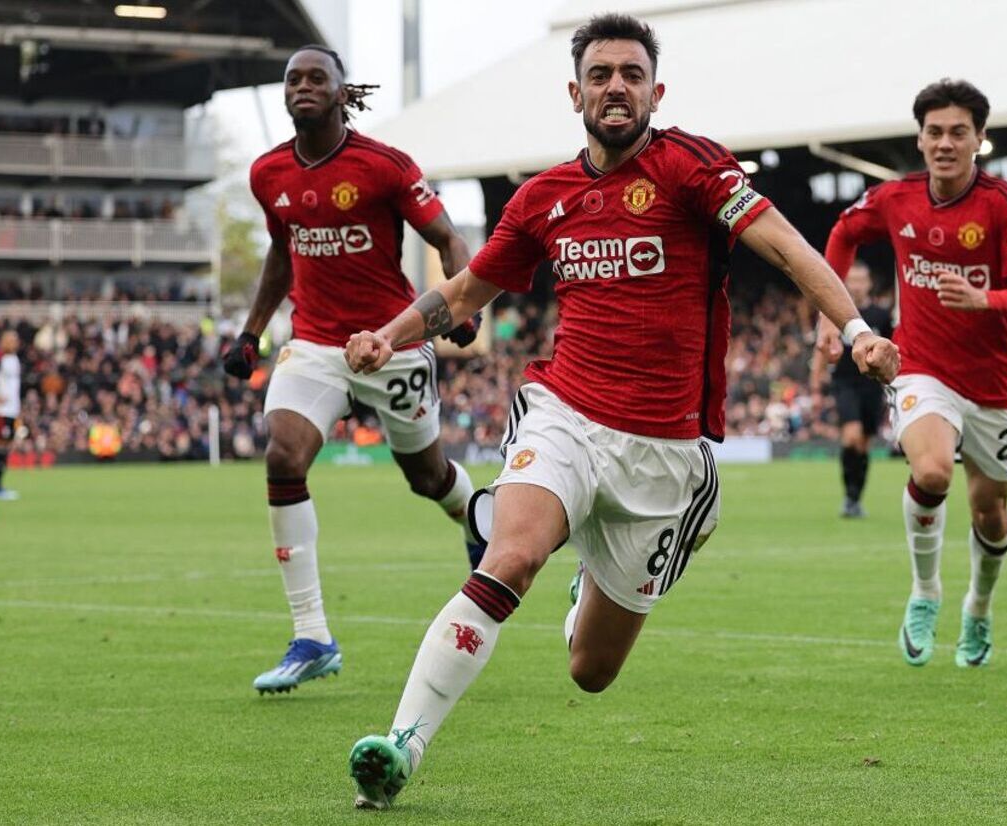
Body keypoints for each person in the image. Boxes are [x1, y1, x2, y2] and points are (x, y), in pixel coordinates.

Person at [340, 13, 899, 809]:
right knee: (511, 558)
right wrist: (386, 336)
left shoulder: (690, 167)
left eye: (631, 74)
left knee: (590, 673)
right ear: (575, 92)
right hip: (564, 413)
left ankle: (592, 583)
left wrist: (856, 330)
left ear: (654, 90)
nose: (615, 87)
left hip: (664, 453)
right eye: (600, 74)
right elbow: (465, 292)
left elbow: (786, 246)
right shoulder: (543, 198)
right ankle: (402, 745)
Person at [224, 44, 485, 696]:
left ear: (343, 93)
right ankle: (312, 635)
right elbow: (282, 255)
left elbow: (450, 239)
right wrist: (251, 333)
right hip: (313, 344)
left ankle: (478, 518)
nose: (303, 86)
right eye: (293, 79)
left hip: (393, 341)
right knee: (283, 456)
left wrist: (460, 304)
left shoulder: (384, 167)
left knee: (426, 478)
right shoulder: (267, 174)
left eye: (317, 78)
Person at [819, 78, 1007, 669]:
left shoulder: (1005, 206)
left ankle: (979, 605)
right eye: (934, 132)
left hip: (993, 385)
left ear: (979, 140)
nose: (945, 142)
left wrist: (986, 300)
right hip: (920, 367)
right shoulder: (897, 198)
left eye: (958, 132)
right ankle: (926, 591)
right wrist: (832, 313)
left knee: (990, 513)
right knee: (931, 471)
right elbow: (843, 233)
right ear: (920, 140)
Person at [811, 261, 893, 517]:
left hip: (873, 386)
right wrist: (816, 384)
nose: (856, 285)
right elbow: (822, 348)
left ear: (868, 284)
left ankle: (855, 498)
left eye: (861, 280)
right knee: (851, 437)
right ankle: (849, 496)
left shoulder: (881, 315)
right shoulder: (837, 314)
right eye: (852, 280)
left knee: (864, 444)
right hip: (845, 383)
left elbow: (892, 349)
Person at [0, 329, 22, 500]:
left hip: (12, 410)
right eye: (11, 339)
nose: (14, 342)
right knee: (0, 447)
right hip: (2, 411)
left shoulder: (14, 359)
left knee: (4, 447)